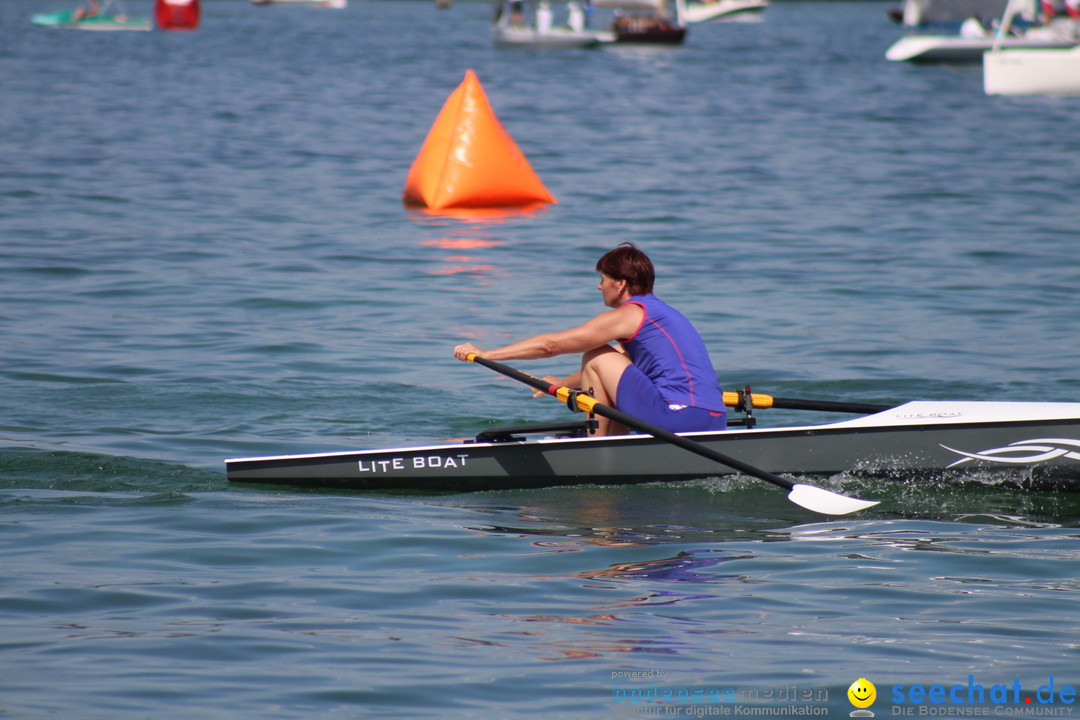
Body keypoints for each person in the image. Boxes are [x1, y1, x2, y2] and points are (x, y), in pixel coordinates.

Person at [453, 242, 727, 436]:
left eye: (603, 278)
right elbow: (621, 363)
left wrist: (488, 354)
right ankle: (611, 442)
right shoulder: (661, 314)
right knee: (605, 357)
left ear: (619, 284)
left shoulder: (630, 314)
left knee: (595, 354)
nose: (599, 285)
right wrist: (562, 384)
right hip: (712, 420)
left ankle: (601, 445)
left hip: (679, 417)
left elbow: (552, 346)